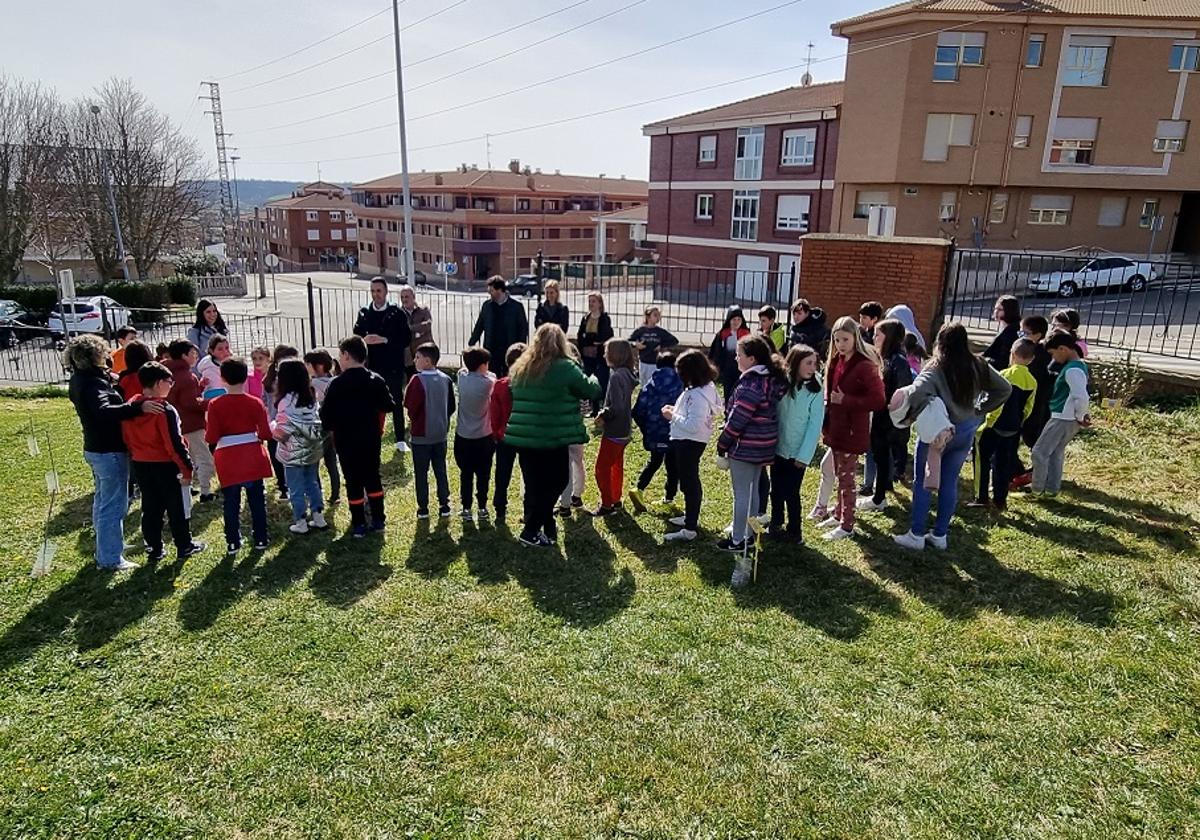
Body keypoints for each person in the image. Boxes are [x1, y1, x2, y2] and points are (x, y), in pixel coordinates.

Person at [892, 323, 1012, 551]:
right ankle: (940, 534)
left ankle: (916, 534)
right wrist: (980, 410)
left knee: (924, 482)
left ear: (940, 342)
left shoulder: (935, 368)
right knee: (949, 482)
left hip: (938, 432)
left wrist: (911, 412)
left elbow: (917, 391)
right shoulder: (977, 364)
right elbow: (1004, 389)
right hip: (965, 429)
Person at [65, 334, 164, 571]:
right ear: (94, 356)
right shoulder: (93, 384)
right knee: (113, 505)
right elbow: (104, 410)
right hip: (108, 450)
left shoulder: (80, 379)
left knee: (102, 501)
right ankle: (109, 558)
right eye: (103, 352)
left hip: (95, 449)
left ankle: (108, 547)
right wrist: (136, 407)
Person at [503, 324, 601, 547]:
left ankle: (546, 529)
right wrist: (594, 378)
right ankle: (531, 530)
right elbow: (590, 390)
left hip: (525, 436)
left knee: (535, 484)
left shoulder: (521, 366)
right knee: (558, 481)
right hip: (553, 435)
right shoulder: (565, 367)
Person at [717, 336, 786, 582]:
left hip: (746, 447)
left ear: (752, 359)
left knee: (741, 495)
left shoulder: (751, 384)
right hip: (763, 446)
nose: (736, 358)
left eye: (740, 354)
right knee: (754, 491)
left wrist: (723, 442)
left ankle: (739, 540)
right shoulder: (769, 379)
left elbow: (739, 419)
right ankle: (750, 533)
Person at [122, 361, 204, 561]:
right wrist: (186, 469)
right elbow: (174, 443)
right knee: (176, 507)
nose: (172, 385)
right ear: (159, 383)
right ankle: (184, 545)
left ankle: (154, 548)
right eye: (169, 381)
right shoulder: (164, 410)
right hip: (165, 464)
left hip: (140, 463)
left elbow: (126, 437)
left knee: (150, 507)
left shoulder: (132, 406)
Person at [816, 316, 886, 541]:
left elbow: (878, 399)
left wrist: (846, 400)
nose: (840, 344)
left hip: (852, 430)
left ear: (855, 338)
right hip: (836, 427)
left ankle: (847, 525)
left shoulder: (865, 366)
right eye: (836, 340)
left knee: (847, 479)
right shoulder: (837, 360)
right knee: (839, 474)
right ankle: (838, 514)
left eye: (845, 339)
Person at [321, 336, 396, 537]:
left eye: (340, 355)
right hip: (370, 438)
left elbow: (325, 416)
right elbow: (389, 405)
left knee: (353, 480)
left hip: (345, 440)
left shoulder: (336, 384)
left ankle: (359, 525)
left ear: (346, 355)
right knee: (373, 477)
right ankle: (379, 520)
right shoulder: (375, 379)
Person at [204, 357, 274, 554]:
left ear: (222, 378)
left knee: (231, 502)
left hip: (227, 457)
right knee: (257, 500)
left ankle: (233, 541)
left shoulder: (215, 404)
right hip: (252, 455)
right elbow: (265, 434)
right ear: (246, 377)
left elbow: (211, 436)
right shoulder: (255, 402)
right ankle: (261, 538)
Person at [662, 350, 724, 543]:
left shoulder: (697, 395)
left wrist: (673, 416)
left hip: (689, 441)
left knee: (689, 481)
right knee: (688, 479)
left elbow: (693, 424)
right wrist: (677, 410)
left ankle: (690, 528)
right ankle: (690, 517)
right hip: (689, 440)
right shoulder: (703, 389)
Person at [971, 338, 1037, 511]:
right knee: (1003, 462)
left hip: (995, 426)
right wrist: (1018, 424)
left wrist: (987, 424)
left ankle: (981, 496)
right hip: (1013, 429)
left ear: (1012, 354)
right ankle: (1000, 499)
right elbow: (1028, 408)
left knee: (981, 458)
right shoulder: (1032, 381)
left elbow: (996, 404)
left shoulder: (1004, 375)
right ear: (1032, 359)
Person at [769, 344, 824, 542]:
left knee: (792, 492)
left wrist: (804, 455)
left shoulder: (816, 386)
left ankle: (795, 530)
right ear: (795, 362)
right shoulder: (783, 382)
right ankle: (776, 523)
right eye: (808, 363)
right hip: (778, 448)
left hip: (798, 452)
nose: (812, 367)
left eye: (814, 363)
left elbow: (815, 423)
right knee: (775, 489)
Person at [858, 319, 913, 514]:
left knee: (882, 456)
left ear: (888, 337)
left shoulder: (898, 361)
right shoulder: (885, 358)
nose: (874, 337)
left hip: (889, 419)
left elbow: (902, 391)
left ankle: (879, 497)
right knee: (880, 456)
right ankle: (881, 490)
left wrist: (890, 410)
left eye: (878, 334)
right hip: (881, 415)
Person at [354, 277, 412, 452]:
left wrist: (385, 339)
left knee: (395, 400)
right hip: (371, 365)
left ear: (386, 292)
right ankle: (371, 435)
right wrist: (364, 340)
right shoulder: (364, 312)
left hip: (392, 365)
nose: (375, 294)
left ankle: (400, 439)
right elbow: (356, 336)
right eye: (372, 291)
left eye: (378, 291)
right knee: (370, 403)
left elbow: (406, 339)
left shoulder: (396, 313)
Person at [272, 358, 328, 534]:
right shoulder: (310, 396)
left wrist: (272, 427)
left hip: (292, 450)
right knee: (312, 482)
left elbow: (283, 429)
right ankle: (318, 516)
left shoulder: (285, 401)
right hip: (311, 447)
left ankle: (301, 521)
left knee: (295, 486)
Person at [1031, 332, 1091, 498]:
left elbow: (1082, 396)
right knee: (1056, 452)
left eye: (1053, 353)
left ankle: (1036, 489)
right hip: (1068, 418)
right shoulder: (1078, 366)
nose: (1053, 358)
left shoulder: (1072, 370)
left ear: (1063, 349)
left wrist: (1081, 415)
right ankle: (1051, 489)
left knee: (1039, 452)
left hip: (1062, 417)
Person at [405, 342, 456, 520]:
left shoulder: (416, 380)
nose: (415, 360)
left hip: (421, 435)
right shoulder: (446, 379)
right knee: (440, 469)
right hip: (440, 433)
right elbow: (451, 406)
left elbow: (410, 406)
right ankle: (444, 504)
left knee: (421, 472)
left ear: (427, 361)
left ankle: (423, 507)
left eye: (417, 357)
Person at [630, 350, 683, 514]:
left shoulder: (649, 384)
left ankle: (638, 489)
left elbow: (638, 411)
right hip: (674, 430)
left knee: (654, 462)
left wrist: (646, 429)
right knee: (673, 466)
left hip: (654, 430)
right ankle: (669, 498)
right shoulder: (681, 384)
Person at [164, 339, 216, 503]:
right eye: (193, 353)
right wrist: (211, 403)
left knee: (187, 457)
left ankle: (187, 488)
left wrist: (199, 388)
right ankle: (206, 491)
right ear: (184, 355)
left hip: (176, 423)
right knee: (204, 457)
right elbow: (190, 402)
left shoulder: (167, 372)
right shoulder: (187, 376)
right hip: (192, 423)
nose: (196, 356)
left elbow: (180, 396)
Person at [591, 338, 638, 517]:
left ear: (615, 355)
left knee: (602, 468)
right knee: (616, 465)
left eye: (606, 351)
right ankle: (615, 499)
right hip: (625, 428)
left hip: (615, 429)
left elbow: (616, 406)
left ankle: (607, 505)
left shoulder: (617, 376)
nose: (604, 355)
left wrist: (603, 415)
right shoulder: (626, 373)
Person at [1011, 314, 1053, 490]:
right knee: (1028, 437)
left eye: (1024, 332)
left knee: (1031, 437)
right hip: (1030, 403)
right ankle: (1032, 471)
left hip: (1034, 403)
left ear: (1038, 334)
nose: (1021, 334)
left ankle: (1038, 472)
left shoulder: (1036, 355)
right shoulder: (1029, 350)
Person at [455, 346, 495, 521]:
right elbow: (493, 376)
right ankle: (482, 507)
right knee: (483, 474)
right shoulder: (489, 383)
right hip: (484, 435)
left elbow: (463, 370)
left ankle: (466, 508)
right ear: (483, 365)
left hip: (463, 435)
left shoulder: (462, 379)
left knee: (466, 473)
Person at [488, 343, 526, 525]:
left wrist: (495, 433)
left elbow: (494, 413)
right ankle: (529, 510)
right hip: (526, 436)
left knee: (502, 473)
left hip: (505, 435)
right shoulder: (531, 385)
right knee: (529, 475)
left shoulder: (500, 385)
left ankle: (500, 509)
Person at [469, 276, 530, 377]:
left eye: (491, 290)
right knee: (492, 376)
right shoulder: (487, 306)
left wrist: (520, 348)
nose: (489, 293)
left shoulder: (516, 307)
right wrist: (472, 343)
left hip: (510, 348)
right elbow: (480, 325)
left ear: (500, 290)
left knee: (509, 376)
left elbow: (523, 329)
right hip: (491, 349)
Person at [262, 344, 300, 500]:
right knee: (281, 455)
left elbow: (264, 401)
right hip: (282, 423)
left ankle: (285, 486)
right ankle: (285, 486)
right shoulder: (274, 380)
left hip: (277, 423)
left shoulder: (270, 379)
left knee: (280, 454)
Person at [304, 349, 340, 504]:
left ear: (317, 366)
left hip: (318, 428)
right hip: (334, 428)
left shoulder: (313, 384)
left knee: (315, 463)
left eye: (307, 364)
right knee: (332, 462)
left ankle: (317, 492)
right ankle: (336, 494)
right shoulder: (336, 381)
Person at [576, 291, 614, 415]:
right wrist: (590, 340)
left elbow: (604, 336)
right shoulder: (585, 318)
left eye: (593, 301)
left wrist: (591, 339)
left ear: (600, 303)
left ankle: (603, 408)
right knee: (588, 381)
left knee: (602, 381)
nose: (591, 304)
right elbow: (581, 337)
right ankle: (593, 408)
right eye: (589, 301)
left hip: (600, 357)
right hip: (587, 356)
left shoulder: (604, 318)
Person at [708, 305, 751, 401]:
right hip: (727, 367)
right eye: (734, 319)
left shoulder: (746, 334)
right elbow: (716, 351)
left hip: (741, 367)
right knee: (728, 389)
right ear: (729, 320)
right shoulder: (722, 334)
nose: (736, 322)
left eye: (739, 319)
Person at [629, 305, 679, 385]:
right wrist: (636, 344)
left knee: (653, 383)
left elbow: (674, 340)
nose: (658, 317)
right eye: (655, 315)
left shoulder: (660, 331)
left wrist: (661, 345)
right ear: (648, 317)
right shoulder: (640, 330)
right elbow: (629, 341)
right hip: (643, 361)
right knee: (643, 383)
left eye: (659, 315)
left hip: (654, 362)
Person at [398, 284, 434, 379]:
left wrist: (410, 328)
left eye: (407, 297)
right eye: (402, 297)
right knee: (412, 380)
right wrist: (417, 328)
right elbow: (399, 330)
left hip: (425, 353)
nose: (404, 299)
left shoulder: (423, 310)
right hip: (409, 355)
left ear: (413, 297)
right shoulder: (399, 313)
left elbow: (427, 325)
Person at [983, 295, 1022, 370]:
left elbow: (1003, 359)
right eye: (995, 309)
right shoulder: (1005, 326)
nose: (996, 312)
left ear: (1009, 311)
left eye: (1000, 309)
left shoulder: (1012, 331)